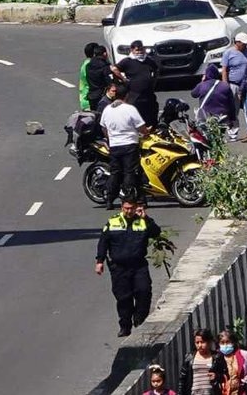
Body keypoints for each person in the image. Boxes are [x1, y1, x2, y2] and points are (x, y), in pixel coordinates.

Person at [96, 196, 161, 336]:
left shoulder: (143, 221)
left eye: (131, 208)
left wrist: (146, 218)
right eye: (126, 208)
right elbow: (103, 242)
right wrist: (99, 261)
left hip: (138, 266)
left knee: (144, 291)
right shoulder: (112, 222)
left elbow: (156, 233)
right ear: (122, 208)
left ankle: (139, 318)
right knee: (123, 298)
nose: (129, 211)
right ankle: (125, 325)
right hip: (119, 268)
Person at [100, 84, 148, 206]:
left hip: (114, 146)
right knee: (129, 172)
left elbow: (103, 127)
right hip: (129, 145)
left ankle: (109, 199)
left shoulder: (107, 110)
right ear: (127, 95)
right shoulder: (130, 109)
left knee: (115, 172)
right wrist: (146, 133)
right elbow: (141, 127)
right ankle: (129, 197)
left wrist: (110, 138)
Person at [114, 40, 159, 126]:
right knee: (136, 114)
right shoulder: (127, 61)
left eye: (141, 49)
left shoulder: (148, 60)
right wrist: (123, 79)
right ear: (132, 50)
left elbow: (156, 70)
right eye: (137, 50)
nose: (139, 52)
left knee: (151, 113)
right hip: (135, 95)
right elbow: (114, 68)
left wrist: (153, 81)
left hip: (148, 94)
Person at [179, 328, 227, 395]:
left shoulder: (217, 357)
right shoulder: (189, 357)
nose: (199, 345)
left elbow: (225, 375)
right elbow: (182, 379)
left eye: (202, 342)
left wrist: (217, 376)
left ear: (209, 342)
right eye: (197, 343)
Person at [191, 62, 235, 130]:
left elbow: (193, 94)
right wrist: (232, 119)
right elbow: (231, 104)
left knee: (207, 135)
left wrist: (202, 81)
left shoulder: (202, 85)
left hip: (205, 116)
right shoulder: (225, 86)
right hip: (222, 116)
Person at [217, 328, 247, 395]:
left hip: (242, 392)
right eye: (222, 342)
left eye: (228, 342)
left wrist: (246, 379)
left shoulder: (243, 354)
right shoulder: (217, 358)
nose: (225, 345)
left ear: (233, 343)